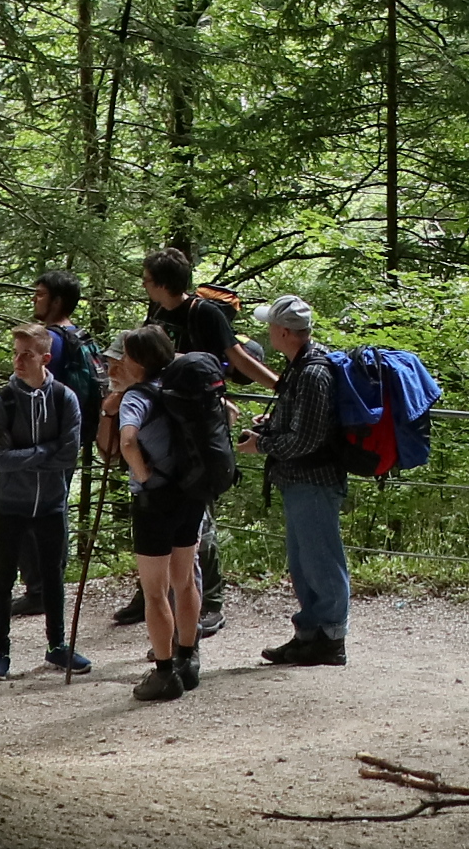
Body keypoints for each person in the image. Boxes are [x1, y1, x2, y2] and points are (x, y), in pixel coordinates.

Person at [114, 247, 272, 637]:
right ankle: (152, 596)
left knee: (199, 521)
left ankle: (209, 602)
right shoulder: (157, 315)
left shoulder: (205, 313)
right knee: (168, 520)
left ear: (163, 283)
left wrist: (282, 385)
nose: (145, 286)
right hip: (165, 418)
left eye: (148, 280)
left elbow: (237, 359)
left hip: (197, 428)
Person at [245, 294, 351, 666]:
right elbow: (302, 425)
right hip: (298, 479)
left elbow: (308, 439)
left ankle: (331, 638)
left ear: (285, 332)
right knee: (303, 561)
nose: (268, 331)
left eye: (271, 326)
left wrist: (263, 444)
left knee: (321, 559)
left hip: (315, 480)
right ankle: (309, 634)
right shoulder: (299, 366)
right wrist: (270, 428)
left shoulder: (312, 372)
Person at [0, 323, 92, 680]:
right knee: (3, 580)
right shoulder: (3, 401)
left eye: (26, 354)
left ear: (45, 358)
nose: (18, 360)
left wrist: (30, 454)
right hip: (9, 504)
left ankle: (57, 646)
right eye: (15, 353)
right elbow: (0, 460)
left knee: (53, 577)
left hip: (51, 503)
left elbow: (69, 455)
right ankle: (0, 653)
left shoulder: (64, 398)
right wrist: (46, 450)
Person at [109, 325, 204, 700]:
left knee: (154, 591)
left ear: (139, 360)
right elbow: (228, 414)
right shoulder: (185, 385)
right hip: (190, 493)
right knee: (184, 580)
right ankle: (187, 659)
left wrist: (144, 473)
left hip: (155, 500)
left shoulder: (137, 396)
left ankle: (164, 674)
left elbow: (128, 440)